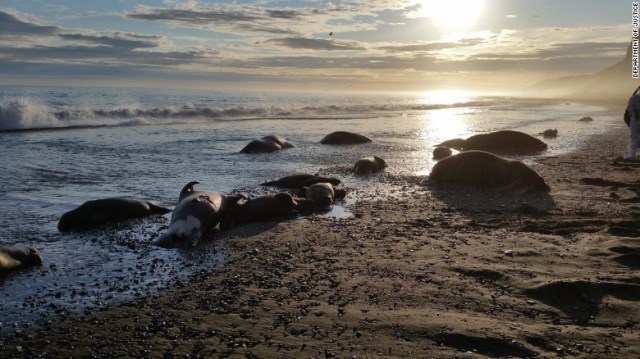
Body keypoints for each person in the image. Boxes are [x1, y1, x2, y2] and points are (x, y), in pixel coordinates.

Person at [626, 91, 640, 159]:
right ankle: (632, 155)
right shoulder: (634, 98)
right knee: (634, 137)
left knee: (633, 138)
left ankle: (632, 155)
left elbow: (629, 109)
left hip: (635, 120)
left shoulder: (634, 98)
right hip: (635, 120)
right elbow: (629, 109)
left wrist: (633, 110)